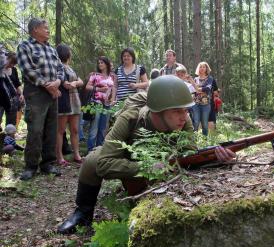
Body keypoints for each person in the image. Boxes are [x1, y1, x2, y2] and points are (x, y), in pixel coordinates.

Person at [57, 75, 236, 234]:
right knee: (92, 160)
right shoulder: (130, 118)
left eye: (186, 110)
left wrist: (218, 159)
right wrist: (147, 168)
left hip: (160, 161)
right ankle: (83, 212)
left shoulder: (184, 121)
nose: (185, 116)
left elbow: (189, 157)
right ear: (158, 111)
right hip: (129, 156)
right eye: (177, 111)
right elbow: (104, 163)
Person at [17, 17, 64, 180]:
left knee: (51, 129)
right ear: (35, 29)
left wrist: (57, 82)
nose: (48, 30)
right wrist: (48, 85)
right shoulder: (25, 46)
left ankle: (47, 164)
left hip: (53, 93)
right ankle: (31, 166)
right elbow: (27, 69)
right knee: (35, 130)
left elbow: (60, 69)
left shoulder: (52, 49)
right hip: (36, 93)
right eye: (45, 27)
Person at [56, 44, 84, 165]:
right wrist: (74, 83)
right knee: (60, 130)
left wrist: (75, 83)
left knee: (75, 129)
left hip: (75, 100)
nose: (70, 53)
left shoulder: (70, 68)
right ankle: (59, 156)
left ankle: (77, 154)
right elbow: (66, 84)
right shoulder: (58, 67)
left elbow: (81, 81)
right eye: (69, 51)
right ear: (65, 53)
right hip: (64, 101)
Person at [85, 56, 116, 152]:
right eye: (99, 63)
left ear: (107, 64)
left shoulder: (111, 77)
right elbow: (87, 87)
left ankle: (99, 151)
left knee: (102, 129)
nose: (100, 64)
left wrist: (113, 100)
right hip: (96, 104)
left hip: (107, 105)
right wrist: (99, 89)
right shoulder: (94, 75)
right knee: (94, 128)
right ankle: (90, 151)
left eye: (102, 62)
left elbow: (113, 89)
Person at [193, 62, 217, 136]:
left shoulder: (210, 79)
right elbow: (193, 91)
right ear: (198, 69)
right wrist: (198, 90)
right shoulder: (195, 79)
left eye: (204, 67)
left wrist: (198, 89)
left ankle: (205, 140)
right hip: (196, 104)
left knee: (204, 124)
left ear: (206, 69)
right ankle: (194, 140)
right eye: (200, 67)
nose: (202, 68)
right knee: (196, 122)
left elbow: (207, 89)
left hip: (206, 105)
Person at [0, 52, 24, 128]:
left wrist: (21, 94)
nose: (11, 65)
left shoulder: (14, 70)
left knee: (10, 125)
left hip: (12, 101)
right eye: (11, 62)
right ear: (7, 59)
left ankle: (9, 139)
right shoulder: (0, 69)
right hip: (0, 100)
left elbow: (17, 84)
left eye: (14, 64)